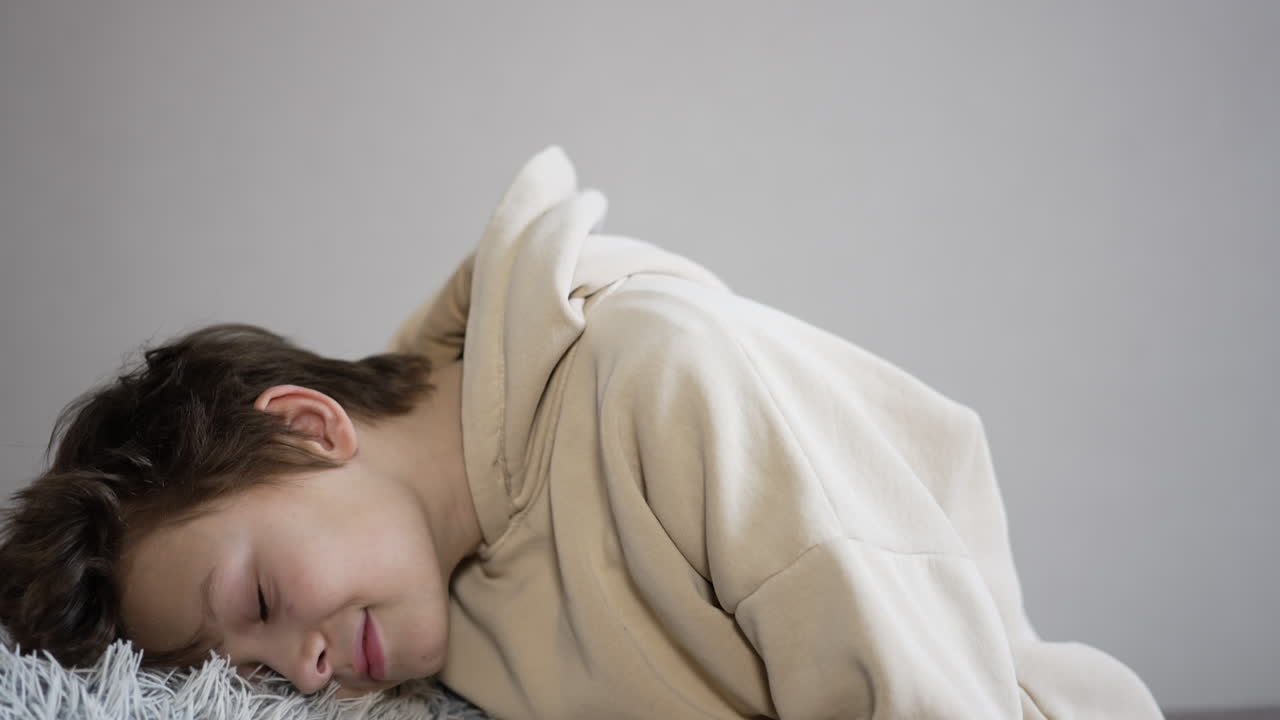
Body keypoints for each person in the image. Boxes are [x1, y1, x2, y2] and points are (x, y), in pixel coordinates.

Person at [0, 146, 1164, 718]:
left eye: (257, 606)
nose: (293, 667)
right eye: (248, 670)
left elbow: (913, 689)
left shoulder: (658, 377)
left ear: (309, 428)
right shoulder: (430, 619)